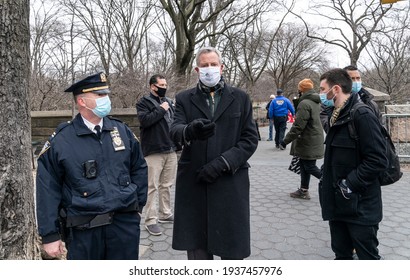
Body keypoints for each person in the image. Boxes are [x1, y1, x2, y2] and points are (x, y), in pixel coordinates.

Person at [36, 73, 148, 260]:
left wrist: (137, 206)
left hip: (123, 226)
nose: (107, 99)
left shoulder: (121, 130)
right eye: (100, 95)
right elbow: (47, 188)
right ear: (82, 101)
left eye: (106, 94)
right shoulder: (62, 140)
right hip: (83, 231)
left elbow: (139, 167)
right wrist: (50, 235)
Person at [170, 46, 259, 260]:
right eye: (204, 65)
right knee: (198, 249)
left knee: (232, 248)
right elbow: (174, 130)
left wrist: (223, 163)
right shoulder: (183, 98)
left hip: (230, 180)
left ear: (222, 67)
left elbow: (250, 139)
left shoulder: (240, 97)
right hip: (195, 181)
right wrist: (189, 130)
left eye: (213, 64)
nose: (209, 69)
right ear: (196, 70)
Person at [318, 68, 388, 260]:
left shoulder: (362, 114)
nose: (321, 93)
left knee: (367, 257)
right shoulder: (335, 114)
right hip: (339, 206)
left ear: (336, 89)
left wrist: (349, 185)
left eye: (323, 89)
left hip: (361, 208)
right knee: (341, 256)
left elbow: (378, 159)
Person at [136, 74, 178, 236]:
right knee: (151, 186)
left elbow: (174, 121)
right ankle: (150, 220)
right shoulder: (143, 102)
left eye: (165, 84)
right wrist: (161, 109)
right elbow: (145, 121)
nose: (164, 87)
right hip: (153, 150)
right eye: (161, 84)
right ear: (153, 86)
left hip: (170, 149)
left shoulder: (168, 101)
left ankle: (165, 214)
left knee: (166, 184)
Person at [279, 79, 324, 200]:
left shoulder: (304, 104)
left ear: (302, 90)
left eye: (299, 89)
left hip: (308, 140)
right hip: (312, 139)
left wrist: (284, 141)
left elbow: (298, 126)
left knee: (309, 167)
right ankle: (304, 191)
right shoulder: (315, 101)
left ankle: (331, 183)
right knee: (304, 165)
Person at [320, 65, 382, 133]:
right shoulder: (329, 103)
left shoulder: (369, 102)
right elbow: (329, 129)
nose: (356, 82)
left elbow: (380, 127)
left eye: (358, 78)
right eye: (352, 79)